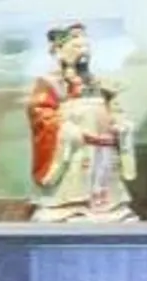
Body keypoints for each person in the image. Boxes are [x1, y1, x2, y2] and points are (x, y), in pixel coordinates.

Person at [27, 22, 131, 223]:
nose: (83, 51)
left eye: (86, 46)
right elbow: (40, 112)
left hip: (103, 144)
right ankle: (69, 205)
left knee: (104, 173)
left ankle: (106, 205)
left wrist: (121, 123)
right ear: (59, 51)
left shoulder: (101, 83)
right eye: (76, 47)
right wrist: (65, 129)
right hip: (73, 145)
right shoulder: (50, 83)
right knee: (76, 172)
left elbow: (115, 108)